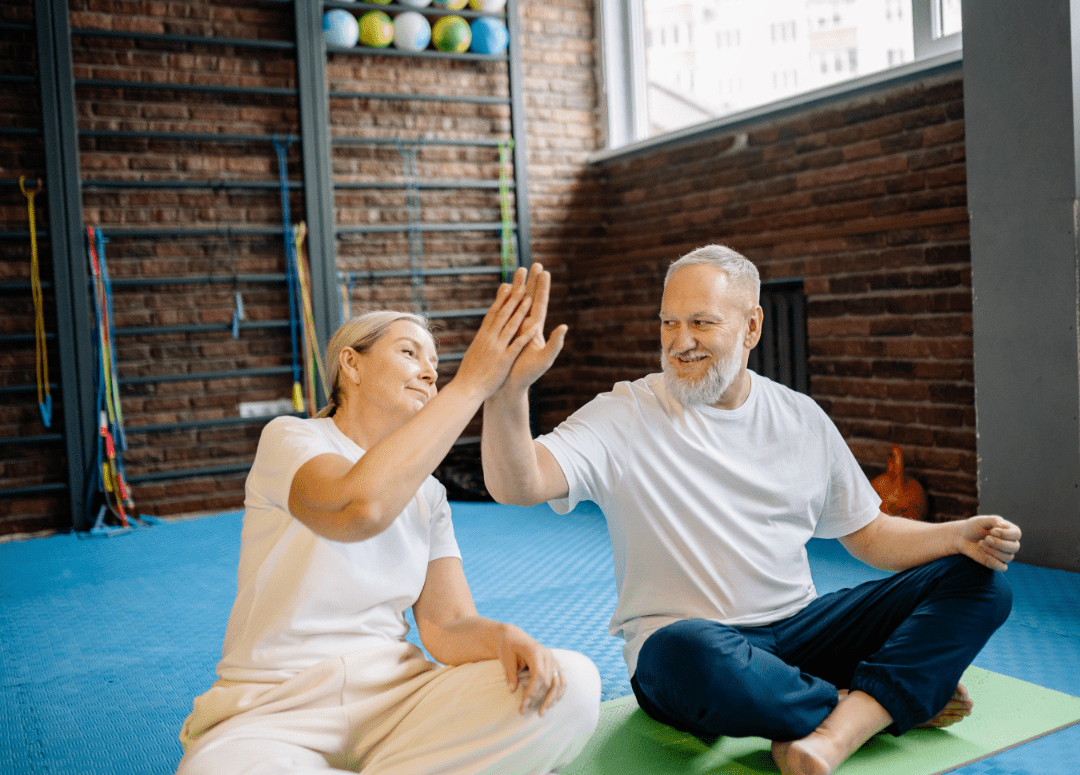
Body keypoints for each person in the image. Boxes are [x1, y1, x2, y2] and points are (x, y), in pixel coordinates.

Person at [481, 245, 1020, 775]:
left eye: (701, 322)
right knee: (687, 651)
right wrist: (508, 393)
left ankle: (836, 722)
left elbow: (872, 535)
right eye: (668, 323)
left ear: (752, 327)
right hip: (693, 649)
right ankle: (874, 706)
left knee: (981, 581)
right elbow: (518, 483)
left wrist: (957, 536)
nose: (680, 342)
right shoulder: (625, 413)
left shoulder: (800, 417)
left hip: (803, 634)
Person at [176, 266, 600, 775]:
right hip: (275, 708)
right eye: (408, 352)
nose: (429, 372)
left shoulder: (431, 494)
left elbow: (447, 626)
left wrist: (505, 636)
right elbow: (359, 509)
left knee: (571, 684)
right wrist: (469, 385)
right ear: (351, 366)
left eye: (436, 365)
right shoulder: (291, 440)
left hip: (397, 704)